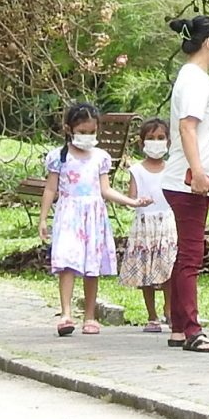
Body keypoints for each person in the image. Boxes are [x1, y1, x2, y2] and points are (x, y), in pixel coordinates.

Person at [159, 14, 209, 352]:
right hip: (187, 180)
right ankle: (191, 329)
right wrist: (199, 174)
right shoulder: (192, 79)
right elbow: (188, 128)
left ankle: (178, 327)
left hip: (197, 179)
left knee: (184, 255)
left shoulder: (198, 78)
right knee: (191, 256)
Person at [38, 101, 132, 336]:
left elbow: (105, 189)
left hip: (94, 216)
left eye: (92, 132)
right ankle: (66, 313)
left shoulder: (100, 157)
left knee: (92, 266)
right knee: (67, 263)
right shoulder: (58, 157)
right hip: (69, 215)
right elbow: (50, 189)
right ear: (69, 130)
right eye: (82, 132)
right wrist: (42, 219)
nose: (87, 137)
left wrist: (131, 202)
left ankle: (90, 316)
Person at [116, 115, 177, 332]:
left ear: (168, 142)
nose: (156, 141)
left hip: (167, 224)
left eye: (161, 137)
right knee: (146, 272)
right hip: (144, 226)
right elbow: (132, 198)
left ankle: (169, 310)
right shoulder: (136, 170)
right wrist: (137, 201)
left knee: (169, 268)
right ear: (142, 143)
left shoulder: (172, 168)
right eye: (151, 138)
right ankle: (152, 315)